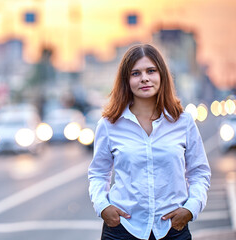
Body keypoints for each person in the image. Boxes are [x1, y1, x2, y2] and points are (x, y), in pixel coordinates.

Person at [88, 43, 211, 240]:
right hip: (123, 229)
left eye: (151, 71)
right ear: (126, 80)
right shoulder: (109, 124)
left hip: (173, 229)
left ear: (161, 75)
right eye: (135, 73)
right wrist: (103, 207)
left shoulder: (183, 121)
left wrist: (191, 208)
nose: (144, 78)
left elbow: (199, 172)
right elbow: (98, 173)